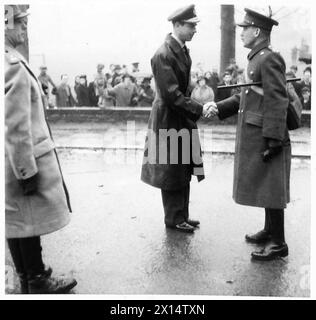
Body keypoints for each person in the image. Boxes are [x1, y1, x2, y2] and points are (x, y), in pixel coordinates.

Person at [208, 8, 291, 261]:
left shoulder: (268, 59)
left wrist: (274, 139)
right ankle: (269, 230)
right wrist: (219, 107)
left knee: (272, 186)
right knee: (267, 186)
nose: (241, 33)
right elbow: (247, 95)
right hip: (259, 133)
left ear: (256, 32)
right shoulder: (256, 59)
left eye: (244, 29)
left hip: (268, 135)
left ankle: (278, 243)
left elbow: (277, 100)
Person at [5, 5, 77, 293]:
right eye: (19, 23)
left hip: (6, 161)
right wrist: (26, 171)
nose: (24, 28)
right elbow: (16, 125)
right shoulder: (12, 66)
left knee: (16, 221)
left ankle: (26, 276)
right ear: (5, 25)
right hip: (20, 160)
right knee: (28, 219)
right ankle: (37, 279)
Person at [141, 5, 214, 233]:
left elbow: (182, 87)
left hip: (179, 115)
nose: (195, 30)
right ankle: (173, 218)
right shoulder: (163, 54)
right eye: (191, 25)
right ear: (177, 25)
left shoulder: (180, 49)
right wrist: (200, 109)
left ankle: (182, 214)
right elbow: (172, 94)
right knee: (172, 169)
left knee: (183, 165)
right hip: (168, 117)